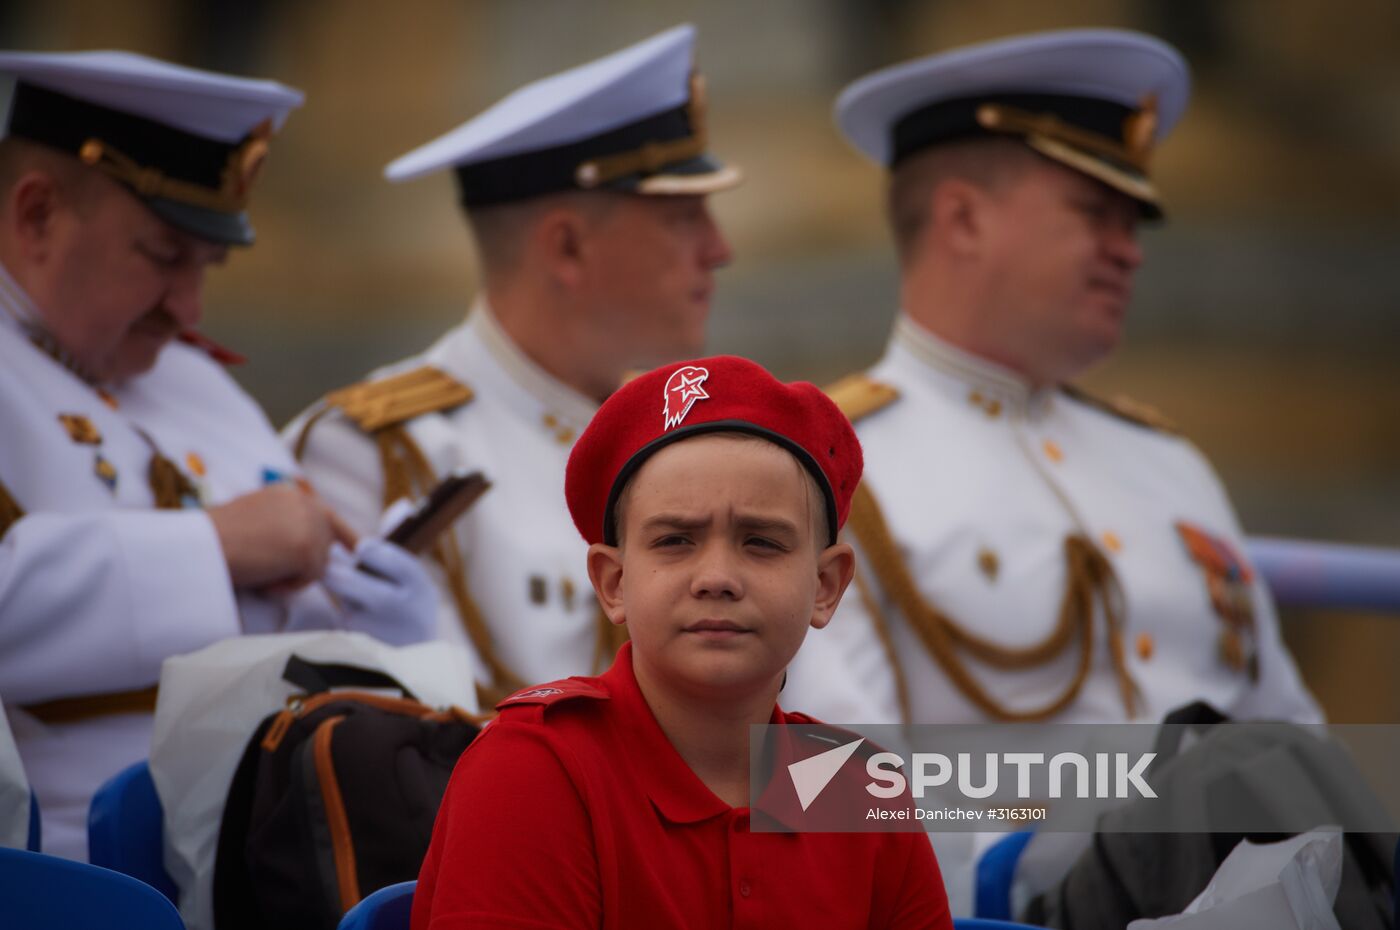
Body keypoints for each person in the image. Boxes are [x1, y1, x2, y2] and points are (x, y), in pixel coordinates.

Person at [779, 29, 1324, 914]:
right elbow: (819, 784)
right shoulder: (824, 465)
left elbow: (1296, 733)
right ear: (962, 219)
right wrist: (1074, 838)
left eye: (1133, 220)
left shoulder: (1168, 463)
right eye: (1094, 213)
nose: (1130, 248)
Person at [0, 50, 436, 859]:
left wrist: (381, 634)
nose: (189, 309)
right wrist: (215, 548)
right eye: (163, 258)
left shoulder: (197, 384)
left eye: (207, 267)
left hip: (270, 854)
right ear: (36, 215)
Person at [412, 355, 953, 929]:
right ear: (613, 584)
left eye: (762, 542)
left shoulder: (859, 790)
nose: (716, 577)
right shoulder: (534, 770)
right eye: (675, 540)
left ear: (825, 586)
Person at [287, 24, 738, 706]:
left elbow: (810, 722)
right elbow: (401, 773)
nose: (719, 249)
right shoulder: (379, 452)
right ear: (566, 249)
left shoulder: (699, 445)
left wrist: (895, 807)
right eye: (684, 217)